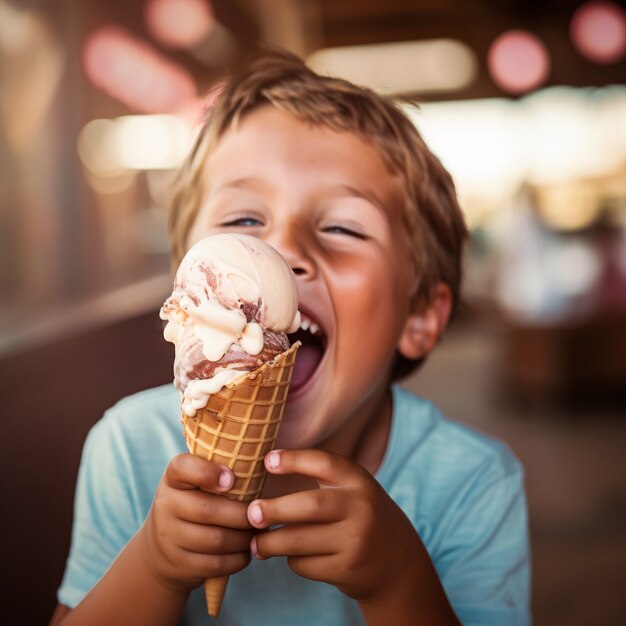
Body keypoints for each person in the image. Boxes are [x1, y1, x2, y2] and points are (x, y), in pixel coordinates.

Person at [51, 50, 530, 626]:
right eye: (244, 222)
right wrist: (153, 566)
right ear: (185, 286)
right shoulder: (128, 448)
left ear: (421, 315)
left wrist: (399, 580)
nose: (280, 253)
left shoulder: (472, 482)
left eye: (341, 227)